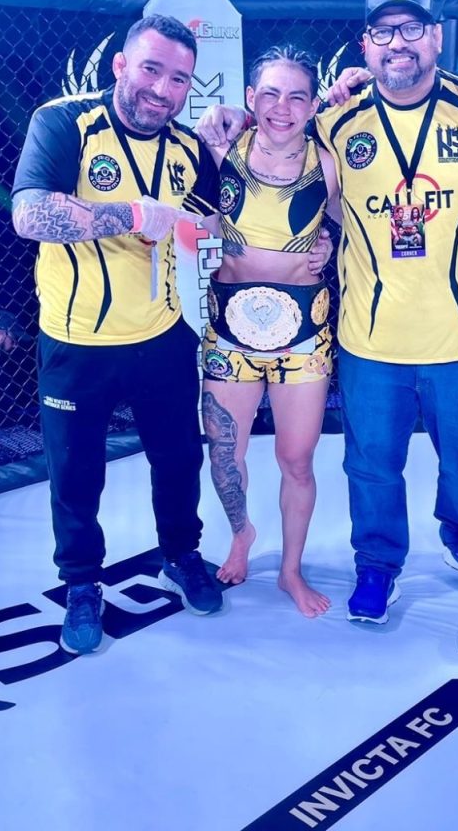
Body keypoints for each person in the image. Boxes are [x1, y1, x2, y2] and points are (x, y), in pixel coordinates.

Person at [198, 0, 458, 625]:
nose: (398, 42)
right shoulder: (334, 123)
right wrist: (232, 118)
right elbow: (279, 141)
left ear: (436, 36)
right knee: (371, 465)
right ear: (366, 44)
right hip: (368, 331)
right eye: (384, 32)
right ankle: (378, 564)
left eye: (411, 28)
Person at [12, 13, 226, 656]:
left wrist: (215, 207)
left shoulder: (188, 148)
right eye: (152, 69)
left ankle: (181, 554)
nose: (163, 89)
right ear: (121, 65)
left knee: (179, 459)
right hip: (76, 340)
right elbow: (29, 215)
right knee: (76, 473)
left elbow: (204, 223)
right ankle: (82, 584)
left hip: (162, 335)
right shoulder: (64, 122)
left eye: (180, 79)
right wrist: (131, 213)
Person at [198, 45, 340, 618]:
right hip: (228, 330)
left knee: (296, 459)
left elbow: (360, 228)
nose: (283, 107)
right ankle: (242, 534)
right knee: (223, 454)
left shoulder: (330, 164)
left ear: (312, 106)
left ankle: (290, 570)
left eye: (297, 96)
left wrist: (330, 247)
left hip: (303, 333)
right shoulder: (220, 147)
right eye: (271, 94)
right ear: (251, 98)